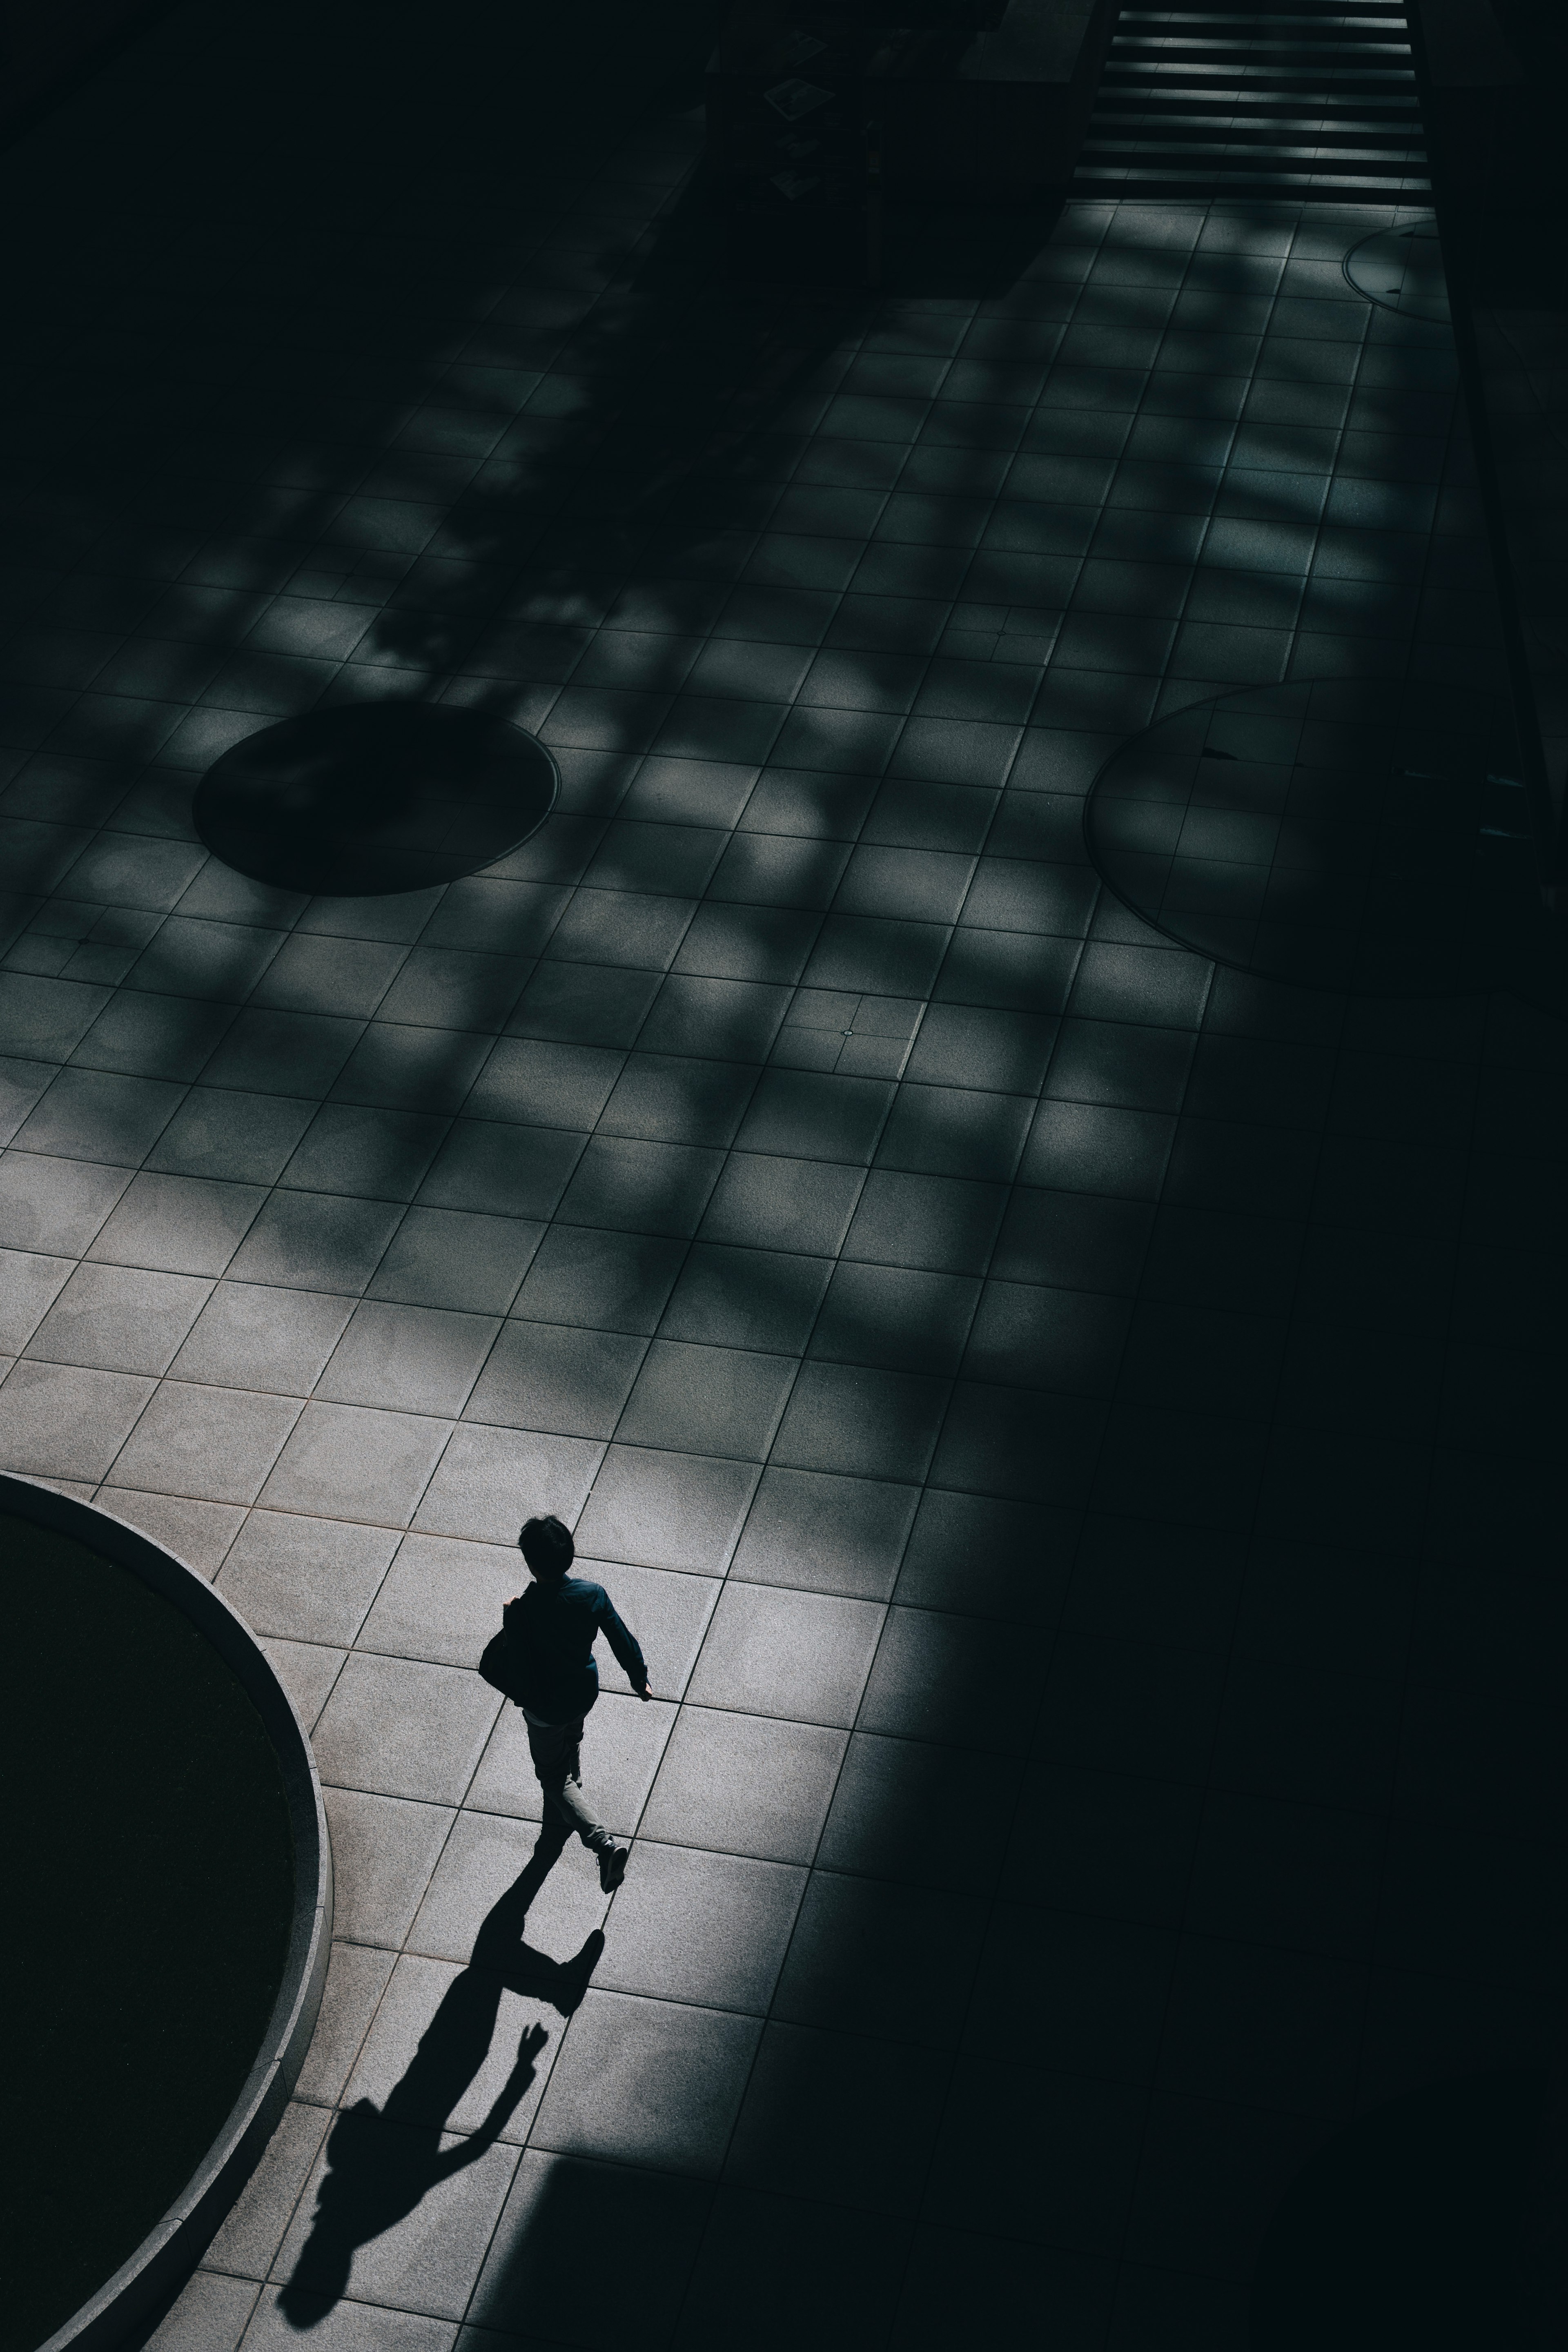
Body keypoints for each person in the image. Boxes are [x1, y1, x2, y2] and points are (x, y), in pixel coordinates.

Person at [500, 1513, 649, 1893]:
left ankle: (603, 1845)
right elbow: (621, 1638)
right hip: (583, 1692)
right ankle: (574, 1784)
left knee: (551, 1775)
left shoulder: (525, 1610)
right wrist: (639, 1677)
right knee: (572, 1738)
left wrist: (510, 1618)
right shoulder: (591, 1594)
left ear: (531, 1564)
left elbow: (514, 1664)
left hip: (546, 1707)